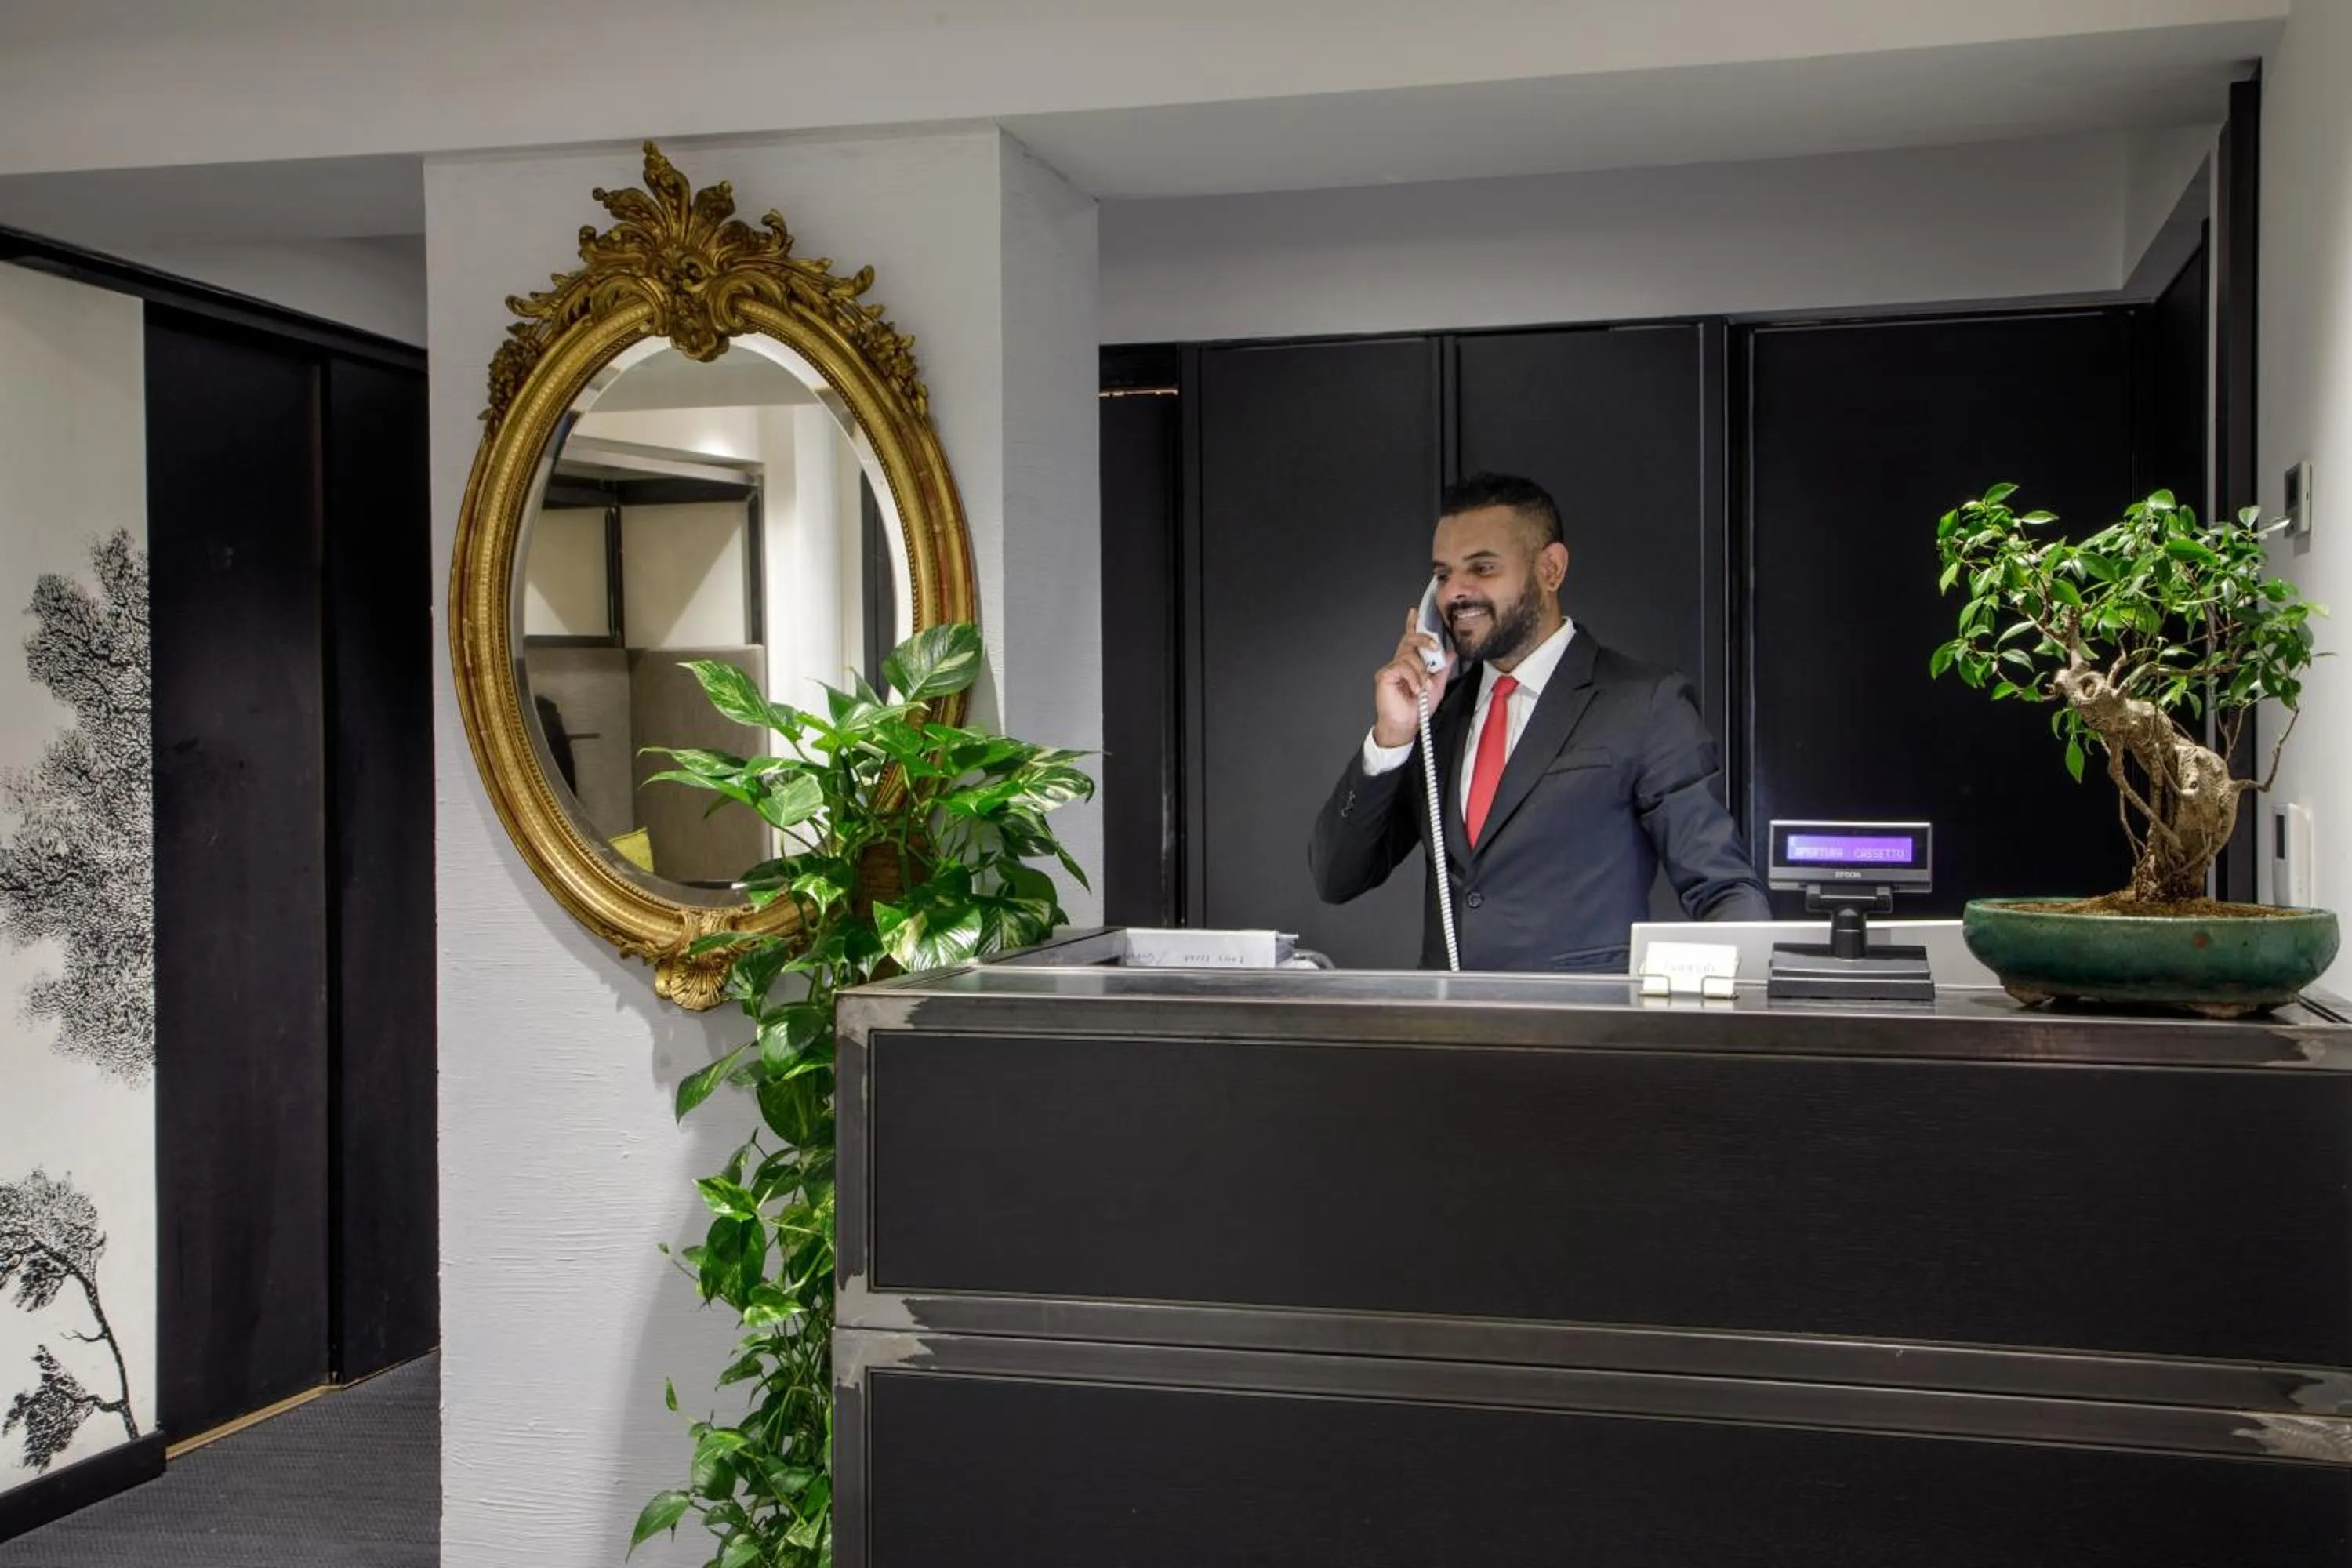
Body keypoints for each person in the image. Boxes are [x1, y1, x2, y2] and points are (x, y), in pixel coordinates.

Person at [1308, 472, 1769, 971]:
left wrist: (1725, 1017)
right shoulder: (1434, 715)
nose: (1455, 593)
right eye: (1442, 576)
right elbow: (1338, 877)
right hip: (1449, 1037)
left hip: (1583, 1036)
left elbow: (1724, 888)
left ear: (1551, 569)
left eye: (1482, 568)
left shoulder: (1645, 704)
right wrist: (1393, 735)